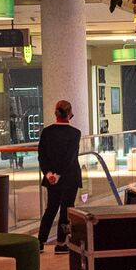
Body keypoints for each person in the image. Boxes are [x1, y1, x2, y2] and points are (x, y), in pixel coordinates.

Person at [37, 98, 85, 250]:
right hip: (70, 177)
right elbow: (69, 158)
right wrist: (58, 175)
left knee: (51, 209)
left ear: (56, 114)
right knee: (66, 210)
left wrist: (49, 174)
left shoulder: (47, 132)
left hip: (51, 178)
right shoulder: (75, 133)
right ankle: (61, 242)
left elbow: (42, 156)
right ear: (70, 114)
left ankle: (40, 241)